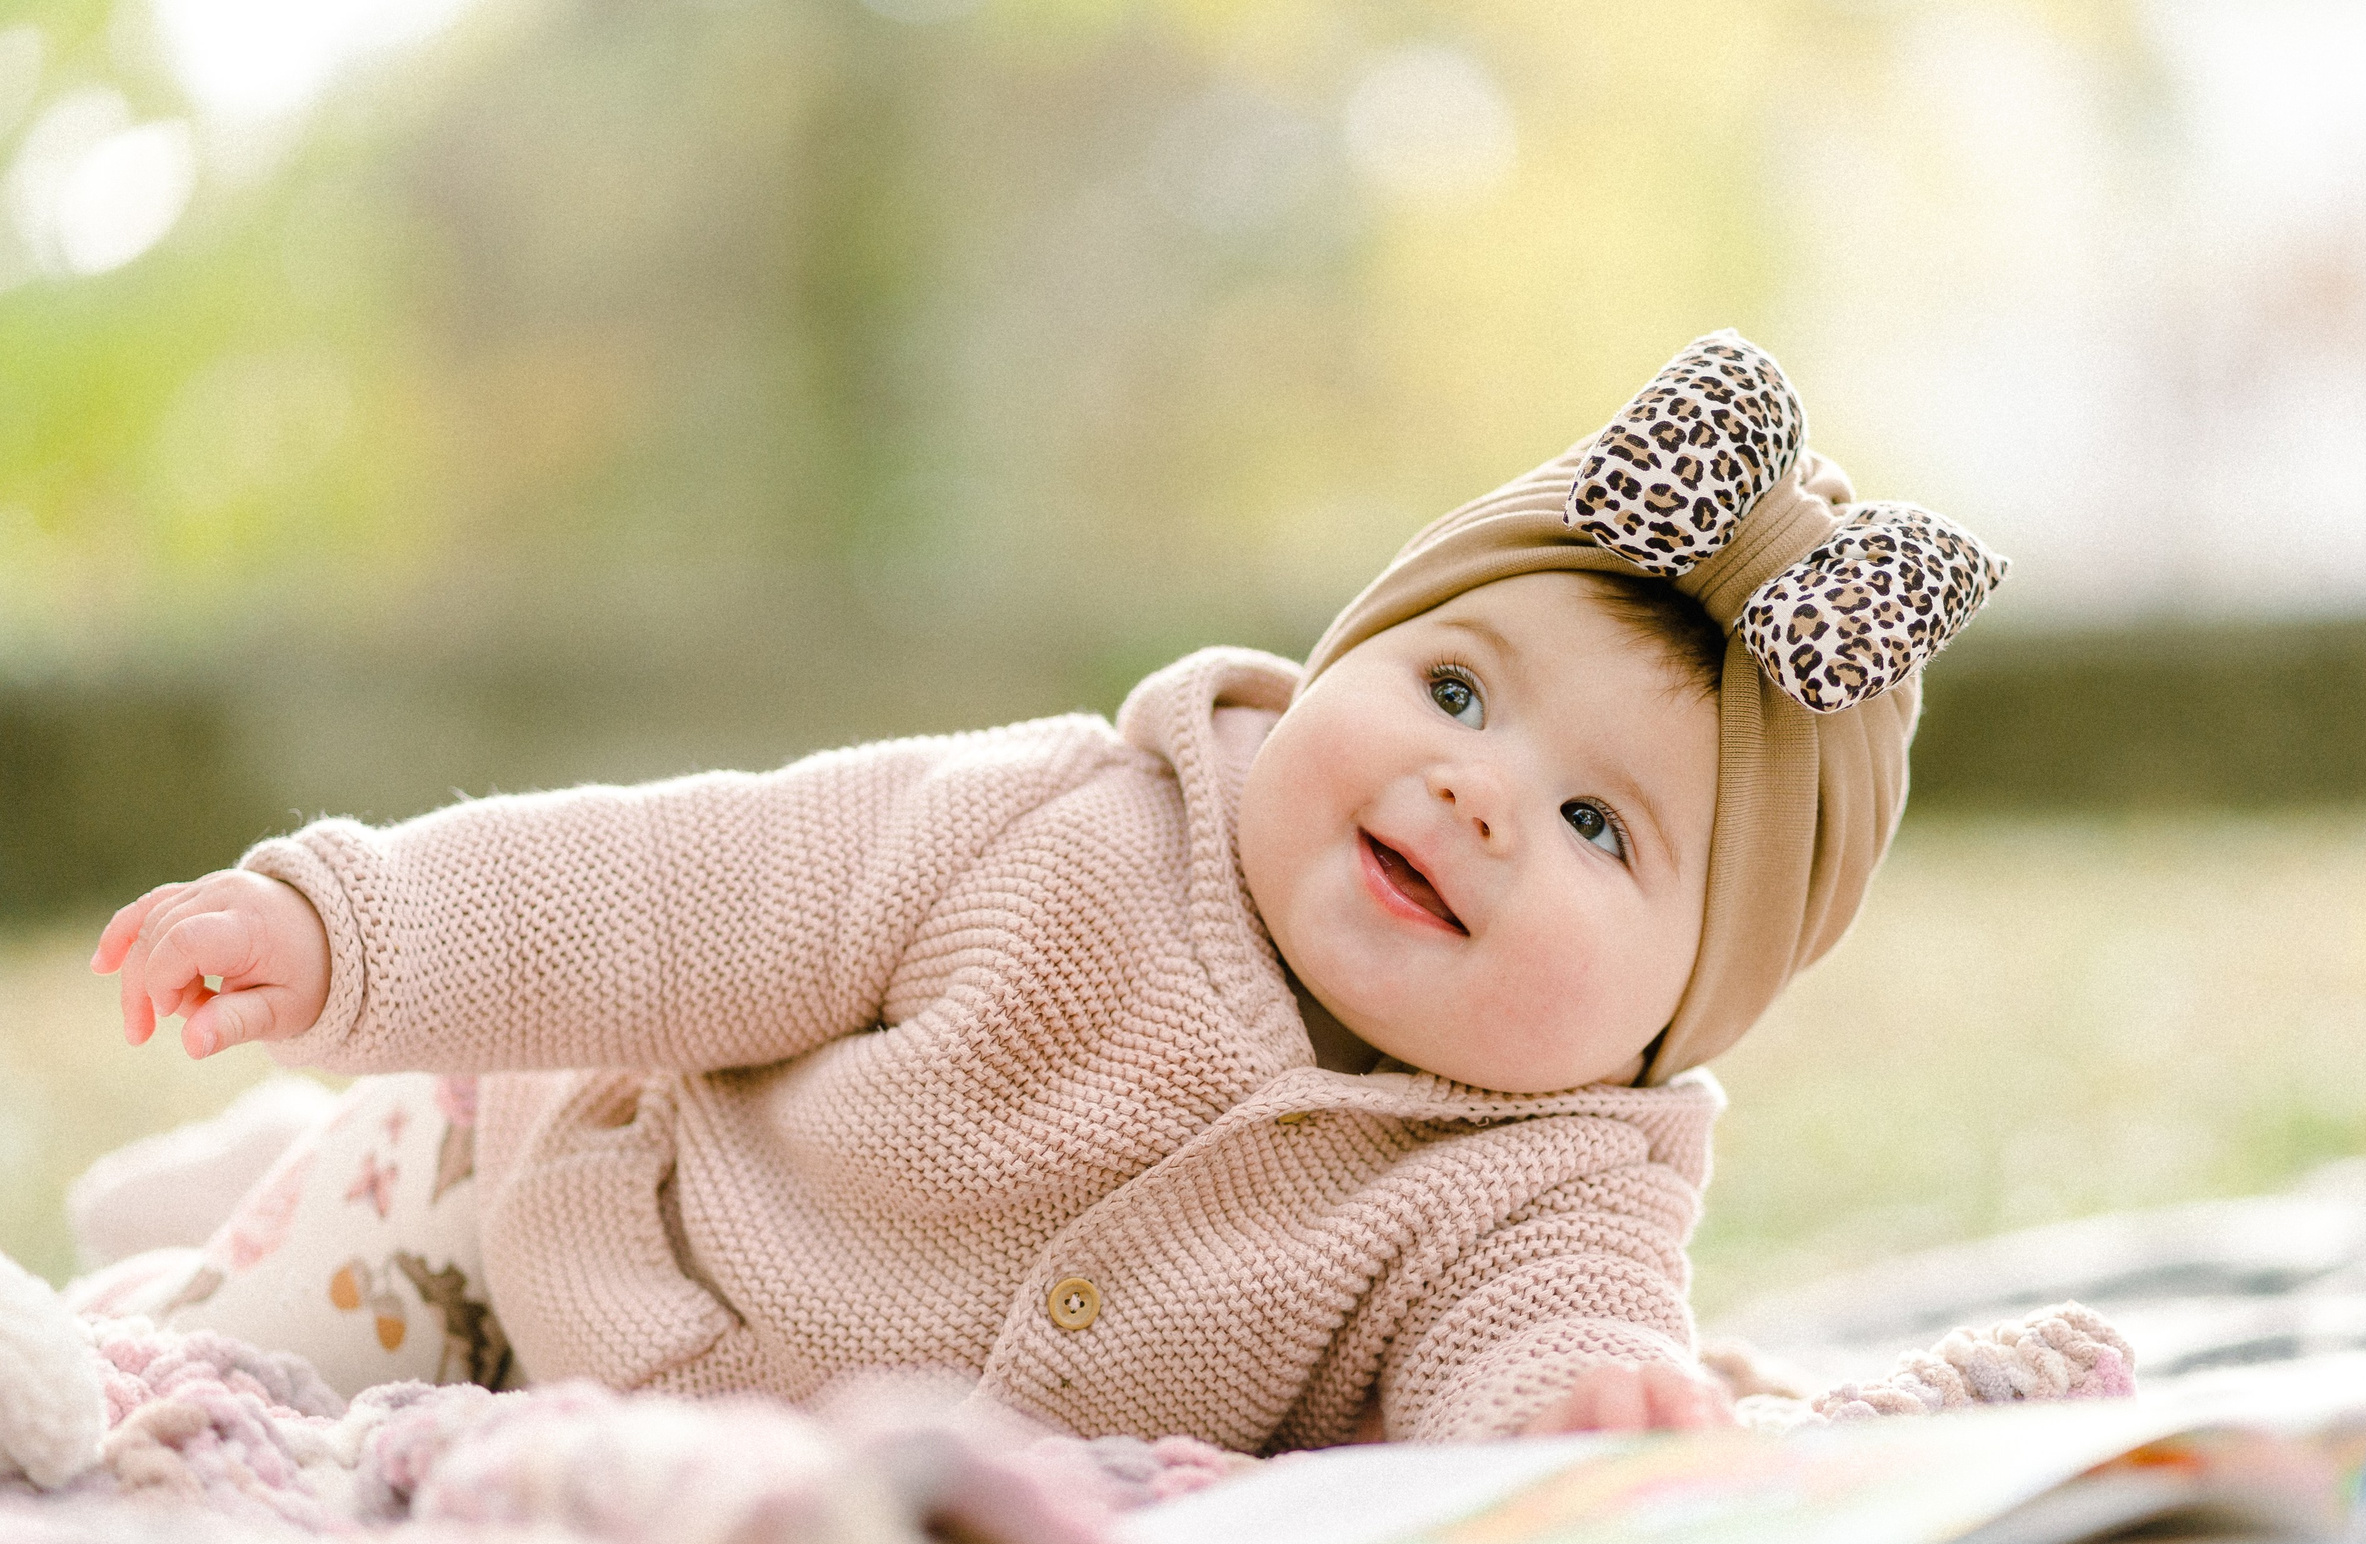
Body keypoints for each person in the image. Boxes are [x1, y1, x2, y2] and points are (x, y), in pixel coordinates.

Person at [81, 332, 2004, 1450]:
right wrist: (351, 927)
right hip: (559, 1230)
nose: (1476, 794)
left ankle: (243, 1162)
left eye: (1603, 827)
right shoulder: (1059, 828)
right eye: (1451, 688)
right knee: (226, 1378)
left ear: (1693, 1003)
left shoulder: (1553, 1179)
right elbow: (673, 889)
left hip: (794, 1482)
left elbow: (1544, 1340)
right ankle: (195, 1224)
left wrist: (1586, 1426)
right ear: (1343, 657)